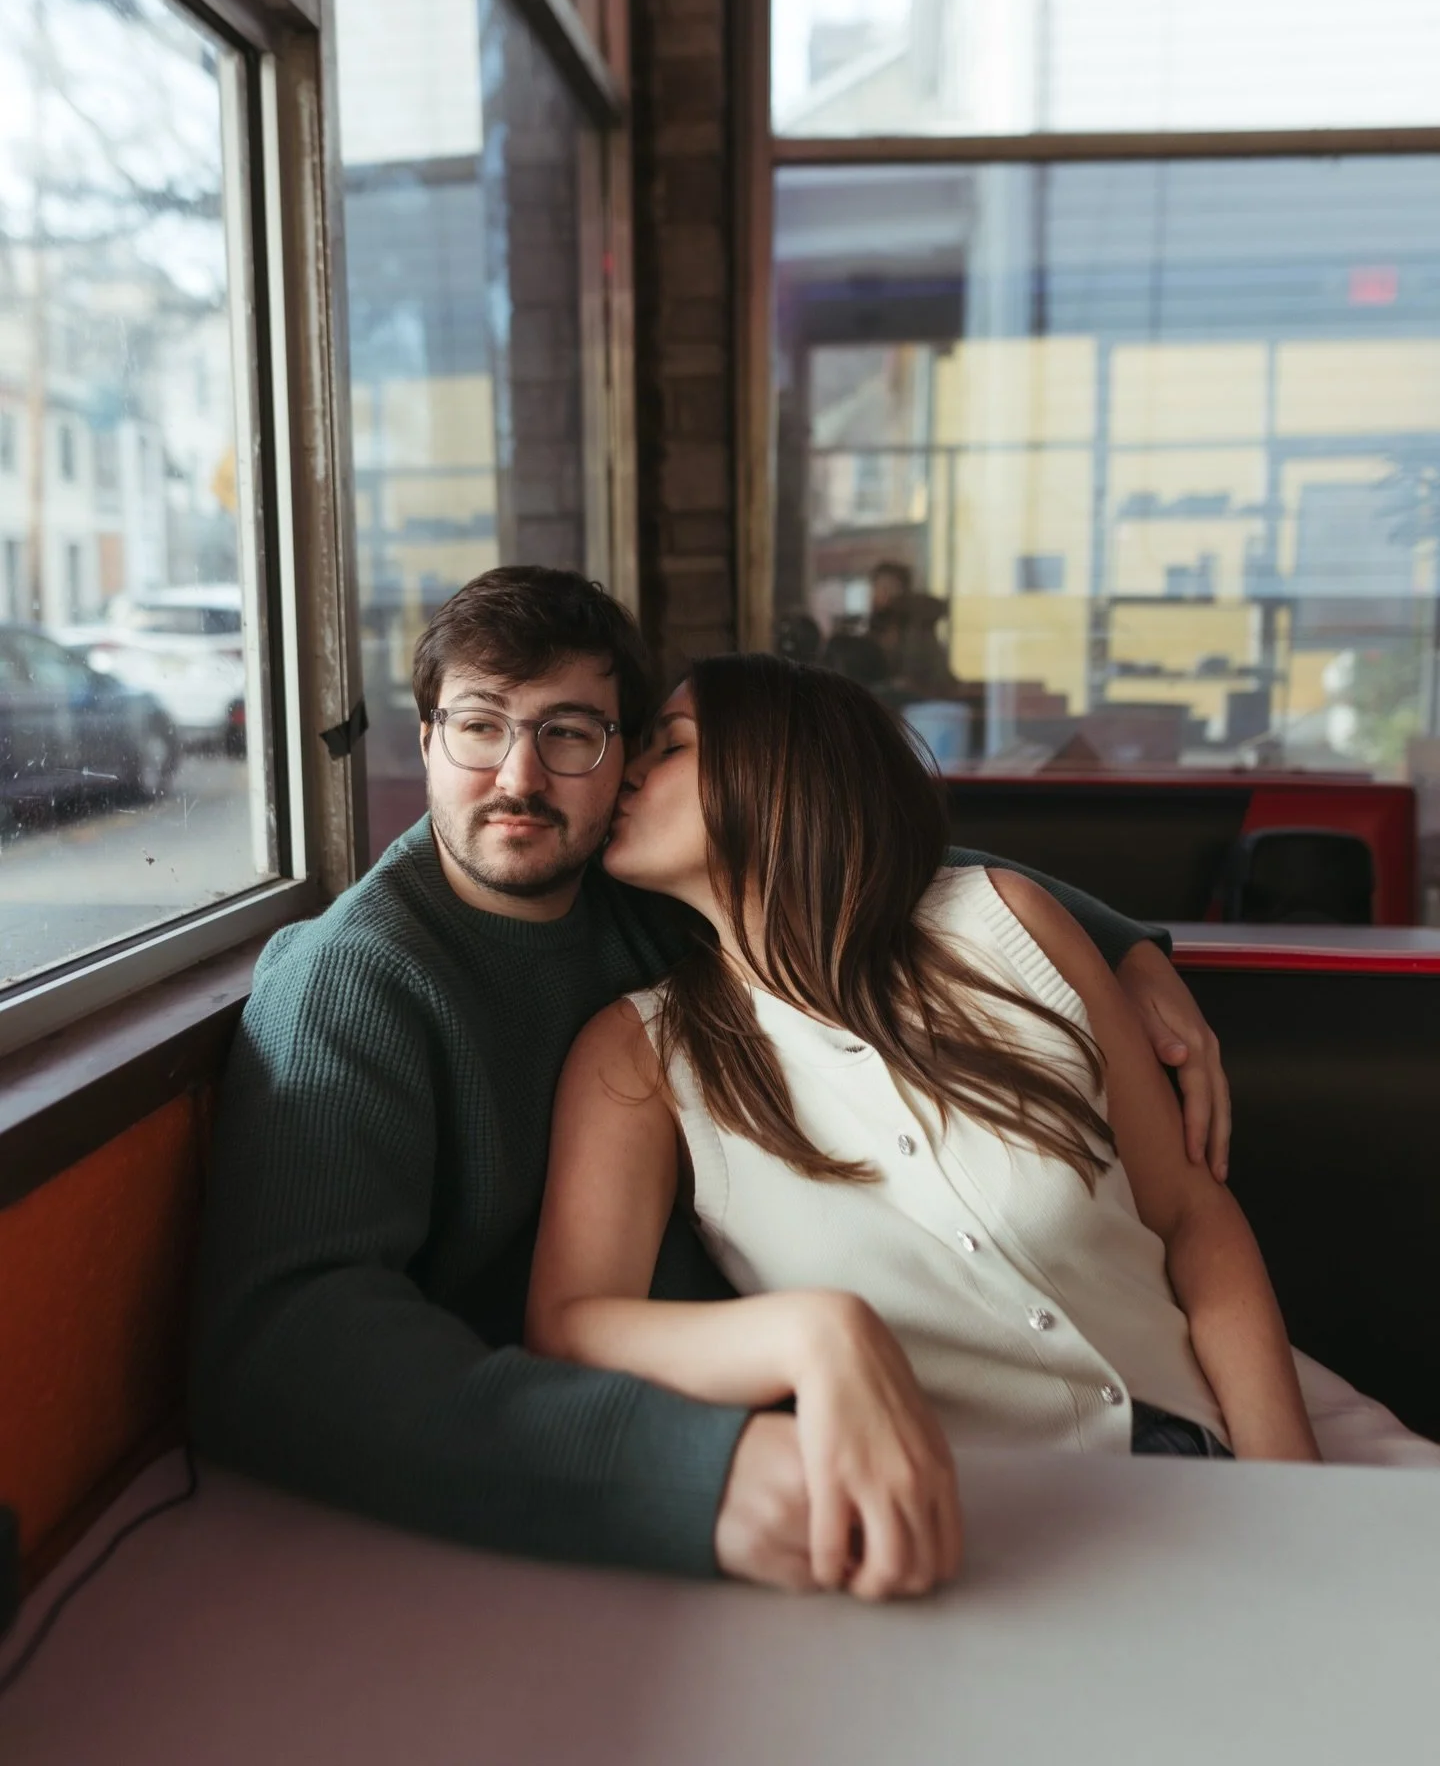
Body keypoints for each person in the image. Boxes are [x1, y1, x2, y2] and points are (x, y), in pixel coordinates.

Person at [191, 568, 1241, 1595]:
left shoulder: (636, 892)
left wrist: (1122, 945)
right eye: (477, 725)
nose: (518, 777)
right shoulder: (352, 978)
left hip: (863, 1432)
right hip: (569, 1476)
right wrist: (692, 1466)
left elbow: (833, 842)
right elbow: (281, 1336)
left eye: (568, 732)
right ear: (424, 741)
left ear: (622, 762)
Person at [526, 653, 1440, 1597]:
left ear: (782, 770)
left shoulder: (1005, 924)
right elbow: (569, 1327)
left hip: (1242, 1440)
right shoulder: (639, 1055)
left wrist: (1290, 1494)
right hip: (987, 1541)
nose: (626, 770)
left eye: (669, 746)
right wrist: (806, 1333)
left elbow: (1189, 1216)